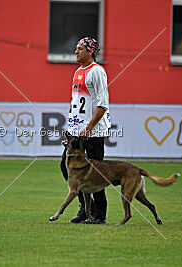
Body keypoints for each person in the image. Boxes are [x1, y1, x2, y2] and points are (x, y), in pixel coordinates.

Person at [60, 37, 112, 224]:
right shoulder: (78, 72)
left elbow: (102, 104)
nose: (76, 51)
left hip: (93, 132)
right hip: (77, 130)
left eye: (80, 48)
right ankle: (85, 208)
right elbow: (77, 103)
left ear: (90, 51)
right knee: (66, 167)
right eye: (76, 48)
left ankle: (99, 214)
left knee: (95, 173)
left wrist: (89, 127)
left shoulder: (97, 72)